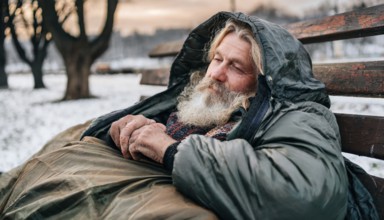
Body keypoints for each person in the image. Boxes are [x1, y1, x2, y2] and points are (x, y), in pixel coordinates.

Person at [0, 11, 377, 220]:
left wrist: (171, 150)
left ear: (263, 82)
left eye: (235, 66)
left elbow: (305, 195)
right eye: (216, 58)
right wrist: (131, 131)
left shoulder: (299, 114)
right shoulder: (206, 105)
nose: (215, 73)